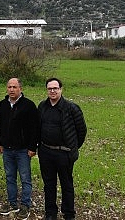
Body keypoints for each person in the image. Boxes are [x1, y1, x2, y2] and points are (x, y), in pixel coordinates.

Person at [38, 78, 87, 220]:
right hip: (46, 152)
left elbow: (81, 131)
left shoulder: (72, 108)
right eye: (49, 89)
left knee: (66, 184)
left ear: (61, 89)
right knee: (49, 184)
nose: (52, 91)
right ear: (47, 90)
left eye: (55, 88)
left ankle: (69, 213)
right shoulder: (42, 106)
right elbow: (38, 128)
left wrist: (73, 148)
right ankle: (50, 212)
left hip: (64, 153)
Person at [0, 78, 40, 220]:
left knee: (25, 178)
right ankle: (12, 202)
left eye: (15, 87)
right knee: (10, 177)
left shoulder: (28, 105)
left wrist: (32, 147)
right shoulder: (3, 104)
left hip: (23, 150)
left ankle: (25, 204)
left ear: (20, 88)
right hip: (7, 149)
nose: (12, 89)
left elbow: (35, 128)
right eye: (9, 87)